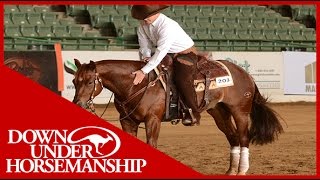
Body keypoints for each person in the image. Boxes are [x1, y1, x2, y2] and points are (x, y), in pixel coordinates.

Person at [131, 5, 198, 125]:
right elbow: (144, 46)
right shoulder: (142, 26)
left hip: (185, 53)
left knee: (182, 79)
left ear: (156, 12)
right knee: (153, 73)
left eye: (147, 17)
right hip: (167, 53)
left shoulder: (167, 26)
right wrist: (146, 57)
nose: (145, 20)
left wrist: (143, 71)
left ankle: (193, 112)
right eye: (142, 18)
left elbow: (161, 50)